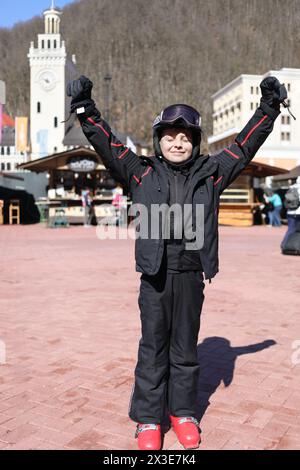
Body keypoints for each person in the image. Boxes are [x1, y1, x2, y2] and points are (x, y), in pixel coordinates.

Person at [67, 75, 286, 450]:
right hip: (154, 274)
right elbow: (108, 143)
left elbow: (244, 146)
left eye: (185, 137)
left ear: (195, 142)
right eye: (170, 136)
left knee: (185, 347)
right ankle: (148, 420)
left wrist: (268, 108)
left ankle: (182, 412)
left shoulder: (213, 172)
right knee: (153, 347)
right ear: (159, 140)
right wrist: (86, 108)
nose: (177, 142)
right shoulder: (140, 170)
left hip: (190, 274)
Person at [281, 176, 300, 251]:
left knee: (290, 229)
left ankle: (284, 245)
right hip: (299, 212)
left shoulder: (292, 188)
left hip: (290, 212)